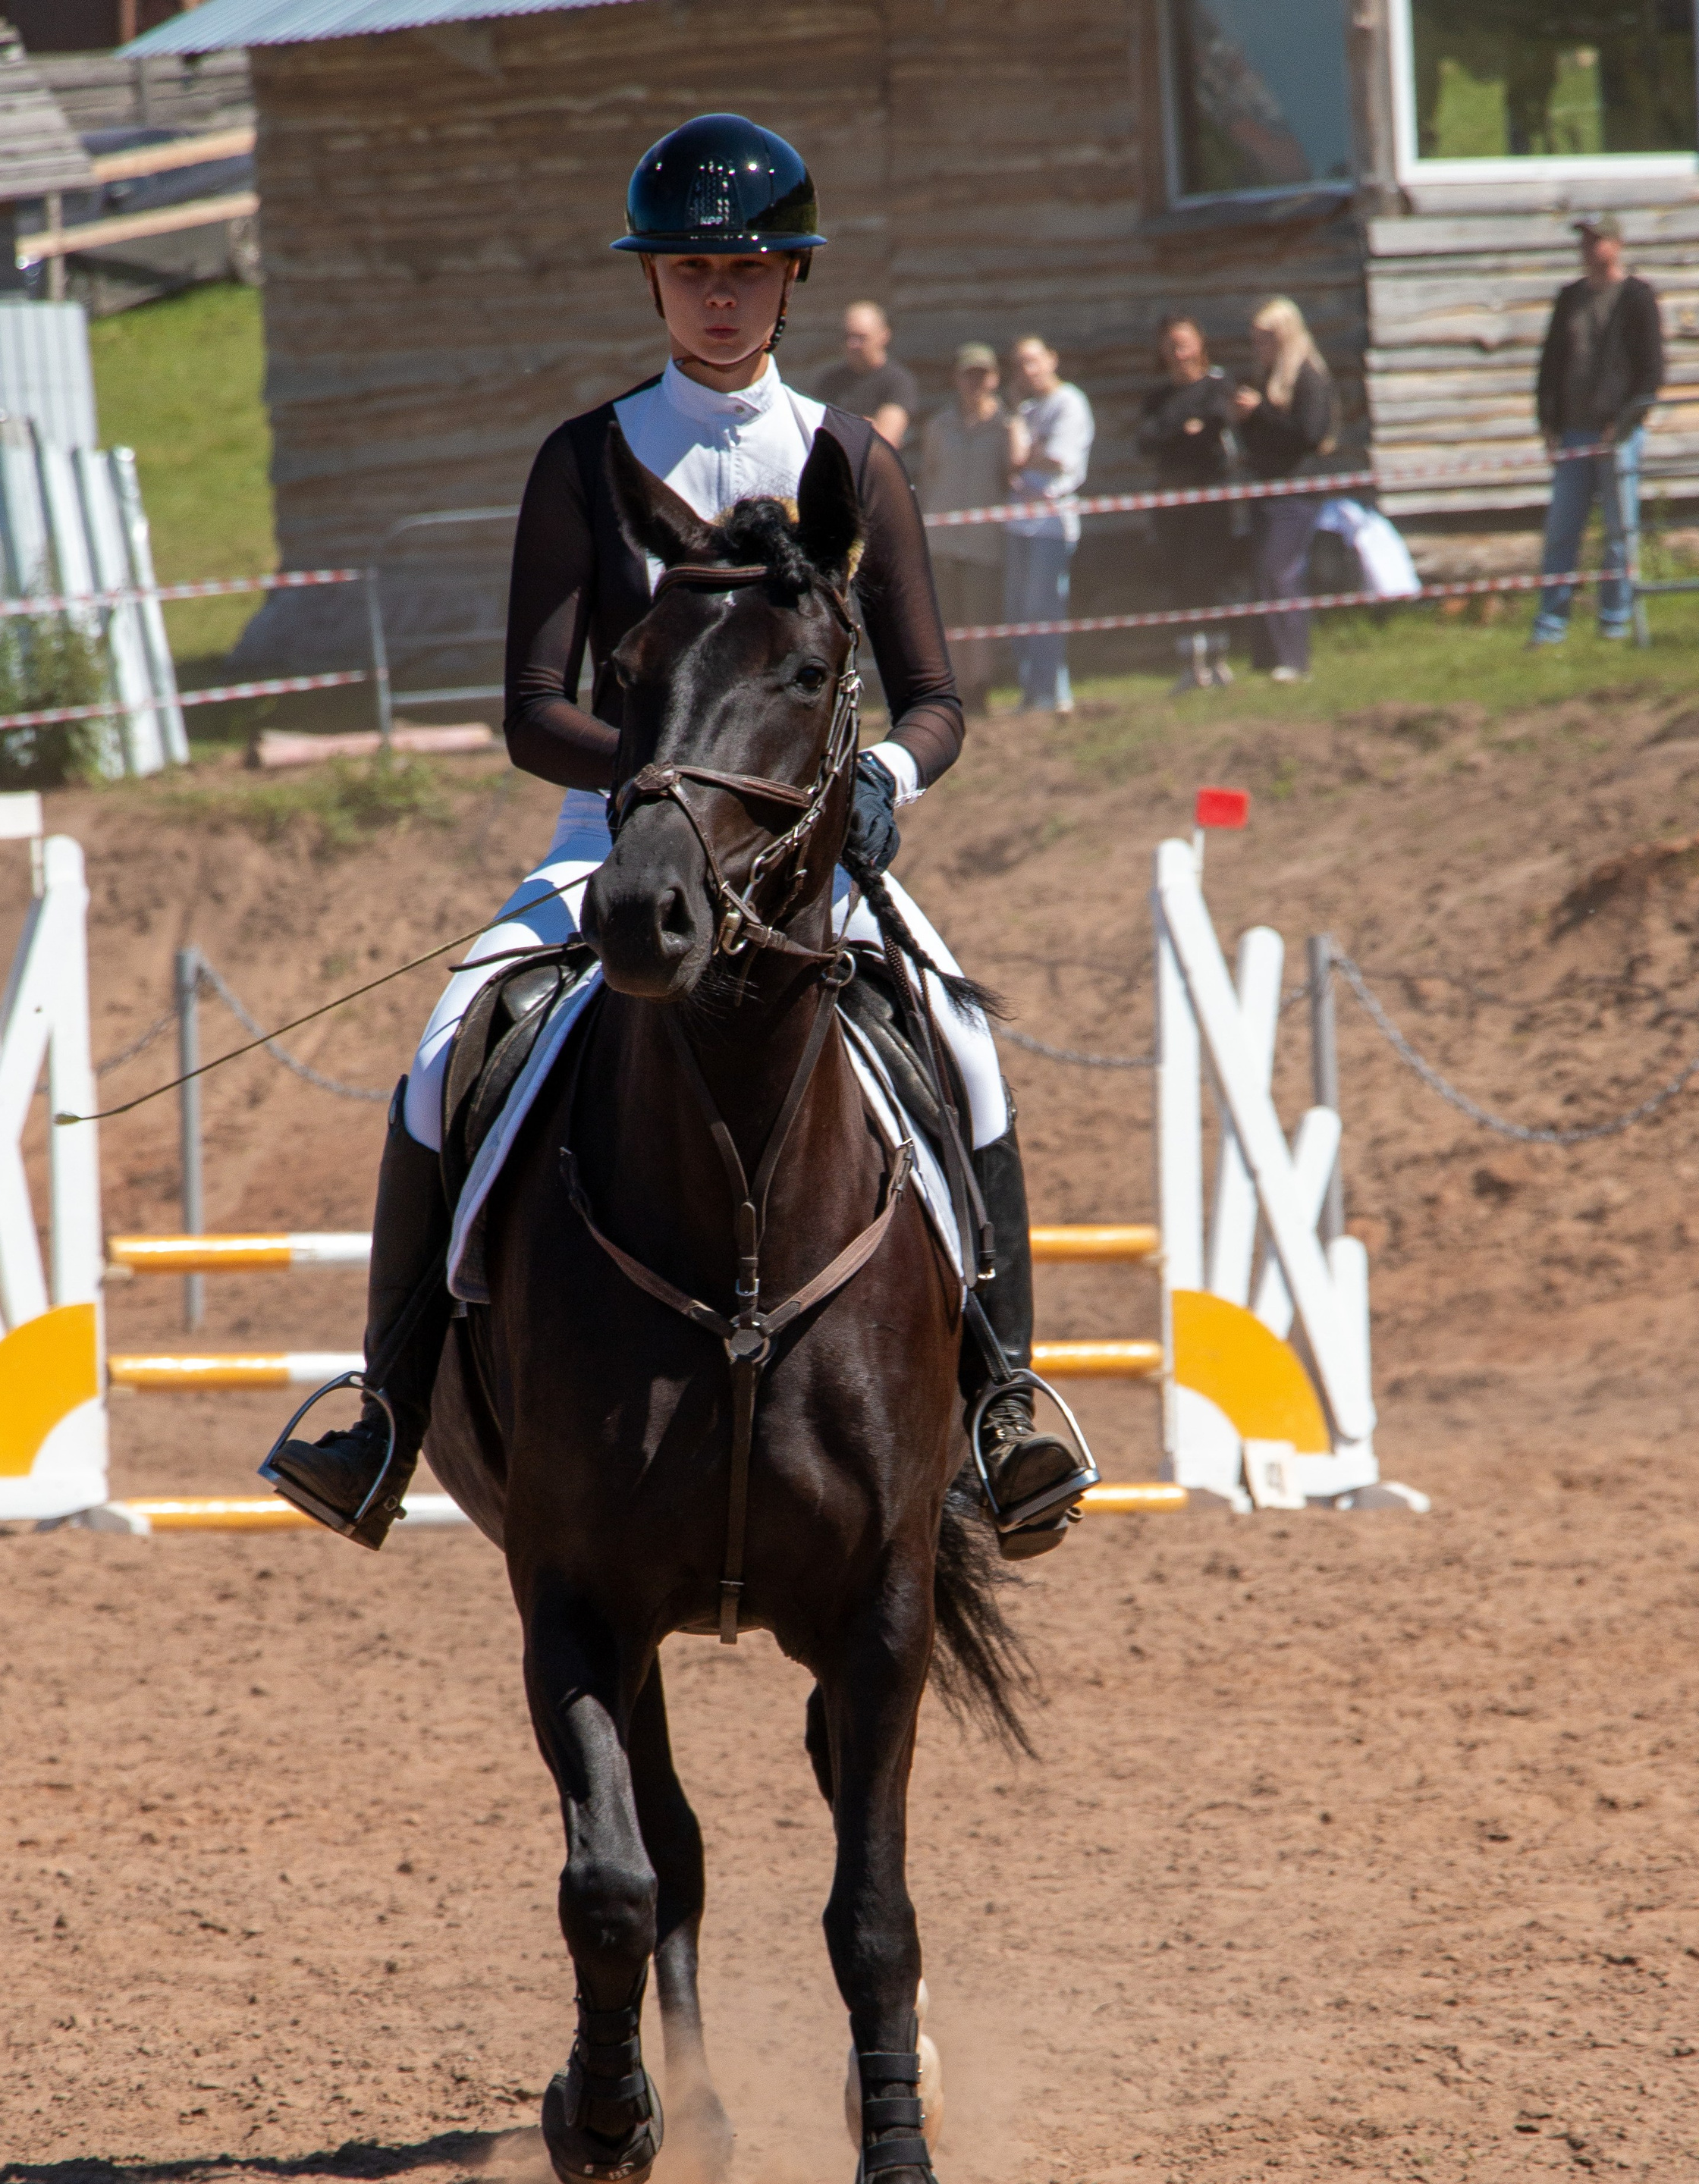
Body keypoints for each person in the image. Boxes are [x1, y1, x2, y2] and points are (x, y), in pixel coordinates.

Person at [263, 113, 1088, 1561]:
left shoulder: (853, 460)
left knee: (964, 1042)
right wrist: (664, 788)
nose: (722, 293)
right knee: (450, 1041)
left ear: (793, 282)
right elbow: (531, 710)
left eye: (751, 268)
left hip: (805, 856)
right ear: (652, 283)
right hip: (618, 845)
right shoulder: (587, 460)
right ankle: (385, 1407)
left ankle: (1005, 1399)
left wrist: (886, 772)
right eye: (695, 267)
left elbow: (940, 697)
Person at [1530, 212, 1663, 646]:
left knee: (1618, 532)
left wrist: (1624, 423)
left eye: (1596, 240)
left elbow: (1651, 371)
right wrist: (1547, 422)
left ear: (1616, 244)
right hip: (1573, 430)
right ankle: (1551, 624)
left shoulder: (1637, 297)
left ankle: (1616, 619)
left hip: (1617, 433)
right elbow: (1550, 365)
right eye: (1584, 242)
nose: (1588, 249)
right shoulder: (1569, 299)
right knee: (1562, 529)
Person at [1229, 297, 1334, 682]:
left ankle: (1294, 660)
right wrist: (1246, 418)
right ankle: (1269, 658)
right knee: (1263, 573)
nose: (1259, 348)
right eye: (1255, 340)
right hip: (1266, 486)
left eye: (1267, 339)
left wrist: (1261, 412)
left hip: (1297, 490)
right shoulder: (1263, 377)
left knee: (1281, 571)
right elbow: (1262, 438)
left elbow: (1310, 434)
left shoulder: (1308, 376)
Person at [1135, 314, 1239, 687]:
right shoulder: (1160, 396)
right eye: (1170, 345)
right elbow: (1147, 440)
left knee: (1210, 572)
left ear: (1199, 343)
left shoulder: (1217, 384)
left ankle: (1218, 658)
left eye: (1184, 343)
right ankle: (1189, 662)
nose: (1177, 353)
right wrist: (1180, 426)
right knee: (1178, 575)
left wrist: (1182, 431)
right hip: (1171, 496)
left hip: (1211, 495)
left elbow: (1214, 427)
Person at [922, 340, 1024, 716]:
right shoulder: (940, 424)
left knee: (978, 619)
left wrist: (1014, 426)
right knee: (948, 620)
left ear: (995, 379)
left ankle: (980, 691)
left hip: (983, 540)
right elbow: (930, 475)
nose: (975, 383)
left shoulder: (1006, 424)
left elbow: (1014, 468)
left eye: (982, 375)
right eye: (968, 375)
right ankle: (955, 692)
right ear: (956, 379)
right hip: (942, 537)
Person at [1004, 334, 1094, 714]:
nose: (1028, 370)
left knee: (1046, 606)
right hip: (1020, 523)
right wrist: (1022, 452)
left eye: (1034, 360)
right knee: (1019, 609)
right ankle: (1031, 691)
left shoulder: (1069, 403)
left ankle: (1056, 692)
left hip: (1052, 524)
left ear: (1051, 359)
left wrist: (1024, 453)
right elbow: (1013, 460)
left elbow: (1057, 458)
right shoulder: (1024, 411)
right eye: (1021, 363)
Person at [818, 300, 917, 450]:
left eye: (861, 337)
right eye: (848, 337)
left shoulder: (897, 381)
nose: (853, 344)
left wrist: (842, 430)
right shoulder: (830, 381)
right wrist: (864, 427)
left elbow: (885, 440)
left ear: (883, 336)